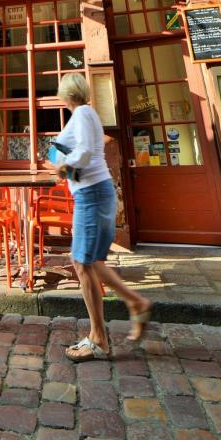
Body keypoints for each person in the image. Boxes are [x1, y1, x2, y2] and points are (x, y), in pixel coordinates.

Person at [52, 72, 152, 362]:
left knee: (84, 262)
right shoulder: (87, 114)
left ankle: (106, 332)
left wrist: (62, 167)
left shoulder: (82, 113)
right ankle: (109, 327)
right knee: (88, 261)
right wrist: (64, 166)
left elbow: (82, 153)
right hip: (93, 190)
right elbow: (86, 156)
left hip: (92, 194)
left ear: (65, 94)